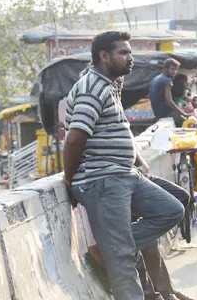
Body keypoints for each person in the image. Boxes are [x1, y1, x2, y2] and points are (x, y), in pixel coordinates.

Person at [63, 31, 184, 300]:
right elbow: (74, 140)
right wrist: (71, 181)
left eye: (130, 52)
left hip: (124, 174)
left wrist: (137, 160)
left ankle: (110, 250)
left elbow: (118, 130)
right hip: (102, 178)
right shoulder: (91, 88)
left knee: (172, 209)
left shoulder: (111, 84)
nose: (131, 58)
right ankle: (114, 252)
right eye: (124, 53)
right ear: (104, 56)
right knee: (124, 264)